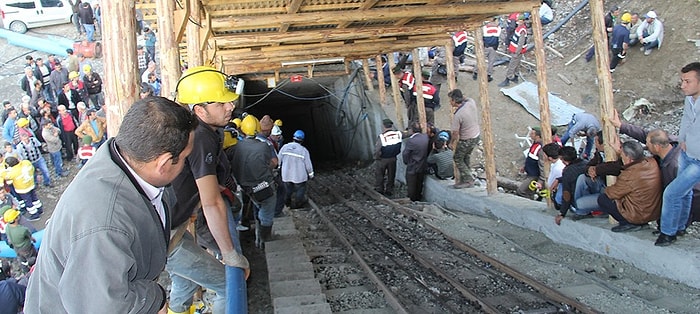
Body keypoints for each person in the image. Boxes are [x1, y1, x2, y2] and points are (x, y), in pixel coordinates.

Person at [25, 97, 197, 313]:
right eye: (184, 158)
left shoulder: (127, 158)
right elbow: (104, 307)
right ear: (163, 164)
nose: (186, 164)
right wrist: (155, 297)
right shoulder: (104, 224)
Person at [170, 66, 249, 314]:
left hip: (173, 227)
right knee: (228, 285)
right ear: (199, 110)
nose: (230, 107)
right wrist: (230, 253)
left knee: (184, 277)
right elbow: (212, 201)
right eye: (221, 104)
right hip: (165, 234)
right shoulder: (201, 137)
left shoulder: (201, 130)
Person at [609, 110, 700, 232]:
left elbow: (687, 196)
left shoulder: (675, 166)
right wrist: (621, 126)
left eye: (647, 144)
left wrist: (679, 226)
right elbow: (646, 135)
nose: (645, 145)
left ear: (656, 147)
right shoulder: (669, 142)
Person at [655, 62, 700, 246]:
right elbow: (686, 119)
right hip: (686, 152)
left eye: (687, 81)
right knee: (684, 192)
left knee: (671, 193)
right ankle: (680, 226)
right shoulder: (690, 99)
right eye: (682, 81)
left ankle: (667, 233)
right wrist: (682, 139)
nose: (682, 85)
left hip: (698, 160)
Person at [231, 114, 278, 249]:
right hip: (262, 185)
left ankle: (258, 235)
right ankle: (265, 239)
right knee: (267, 209)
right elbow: (273, 163)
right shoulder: (263, 146)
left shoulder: (237, 145)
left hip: (246, 187)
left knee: (258, 205)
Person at [598, 141, 661, 232]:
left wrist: (607, 189)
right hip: (653, 212)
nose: (621, 156)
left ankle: (629, 223)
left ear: (629, 158)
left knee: (603, 199)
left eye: (622, 154)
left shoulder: (629, 175)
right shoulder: (652, 162)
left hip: (639, 214)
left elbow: (612, 194)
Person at [448, 89, 480, 189]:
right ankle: (466, 175)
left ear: (454, 100)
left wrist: (451, 143)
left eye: (450, 100)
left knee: (457, 158)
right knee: (466, 156)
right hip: (476, 135)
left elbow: (455, 133)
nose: (449, 102)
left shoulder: (458, 115)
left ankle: (468, 179)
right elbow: (466, 98)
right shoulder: (471, 103)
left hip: (466, 139)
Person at [278, 130, 314, 209]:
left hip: (286, 175)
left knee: (288, 189)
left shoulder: (285, 147)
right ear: (302, 140)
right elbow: (308, 165)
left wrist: (278, 169)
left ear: (293, 138)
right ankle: (297, 204)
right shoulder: (303, 151)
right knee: (301, 189)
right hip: (299, 176)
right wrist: (311, 174)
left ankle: (287, 202)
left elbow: (278, 160)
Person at [554, 146, 588, 225]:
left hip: (579, 202)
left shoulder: (568, 171)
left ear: (563, 159)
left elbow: (567, 194)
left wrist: (562, 213)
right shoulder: (586, 163)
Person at [2, 157, 43, 221]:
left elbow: (5, 177)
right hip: (31, 184)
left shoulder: (13, 172)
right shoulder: (26, 162)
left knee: (28, 202)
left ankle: (35, 215)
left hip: (23, 189)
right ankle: (40, 209)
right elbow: (32, 168)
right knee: (35, 198)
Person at [374, 119, 402, 196]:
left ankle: (379, 189)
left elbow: (377, 150)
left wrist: (377, 157)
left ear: (383, 126)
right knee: (391, 174)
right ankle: (389, 189)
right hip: (393, 158)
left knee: (380, 174)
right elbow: (407, 134)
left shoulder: (382, 137)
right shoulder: (398, 134)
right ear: (391, 126)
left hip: (383, 159)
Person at [516, 127, 546, 199]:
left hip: (534, 175)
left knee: (521, 191)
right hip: (529, 173)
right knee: (529, 192)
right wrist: (524, 166)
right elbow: (530, 157)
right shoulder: (534, 144)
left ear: (538, 136)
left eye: (532, 133)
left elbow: (542, 165)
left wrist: (541, 180)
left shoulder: (540, 148)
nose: (530, 135)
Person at [4, 208, 37, 273]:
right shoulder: (23, 230)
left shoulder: (7, 227)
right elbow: (30, 237)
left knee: (23, 261)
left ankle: (26, 271)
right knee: (32, 259)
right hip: (27, 249)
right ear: (15, 219)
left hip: (17, 249)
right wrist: (33, 240)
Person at [498, 14, 527, 87]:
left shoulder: (522, 30)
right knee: (516, 65)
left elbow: (520, 43)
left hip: (517, 51)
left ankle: (508, 79)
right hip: (515, 50)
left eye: (520, 21)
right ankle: (515, 77)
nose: (518, 22)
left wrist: (517, 52)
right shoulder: (519, 28)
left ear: (523, 21)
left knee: (512, 65)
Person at [403, 122, 429, 201]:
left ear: (412, 130)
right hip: (422, 164)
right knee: (419, 182)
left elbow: (405, 154)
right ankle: (418, 197)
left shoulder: (411, 141)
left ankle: (412, 199)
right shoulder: (425, 137)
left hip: (413, 165)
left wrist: (407, 162)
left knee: (411, 184)